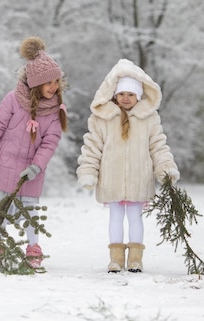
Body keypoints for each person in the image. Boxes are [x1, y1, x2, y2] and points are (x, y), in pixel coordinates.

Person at [76, 58, 179, 273]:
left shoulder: (149, 119)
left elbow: (158, 146)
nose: (125, 98)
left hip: (138, 178)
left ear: (138, 96)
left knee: (135, 218)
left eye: (131, 94)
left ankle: (135, 258)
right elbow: (92, 146)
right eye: (122, 93)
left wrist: (165, 168)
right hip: (110, 179)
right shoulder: (102, 119)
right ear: (114, 94)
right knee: (115, 217)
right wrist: (88, 171)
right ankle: (115, 258)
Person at [0, 36, 68, 269]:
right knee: (0, 207)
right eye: (48, 83)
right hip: (4, 164)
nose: (53, 87)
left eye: (56, 82)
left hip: (31, 170)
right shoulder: (12, 99)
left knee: (30, 210)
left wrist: (36, 166)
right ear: (35, 83)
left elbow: (50, 142)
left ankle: (33, 247)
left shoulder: (54, 111)